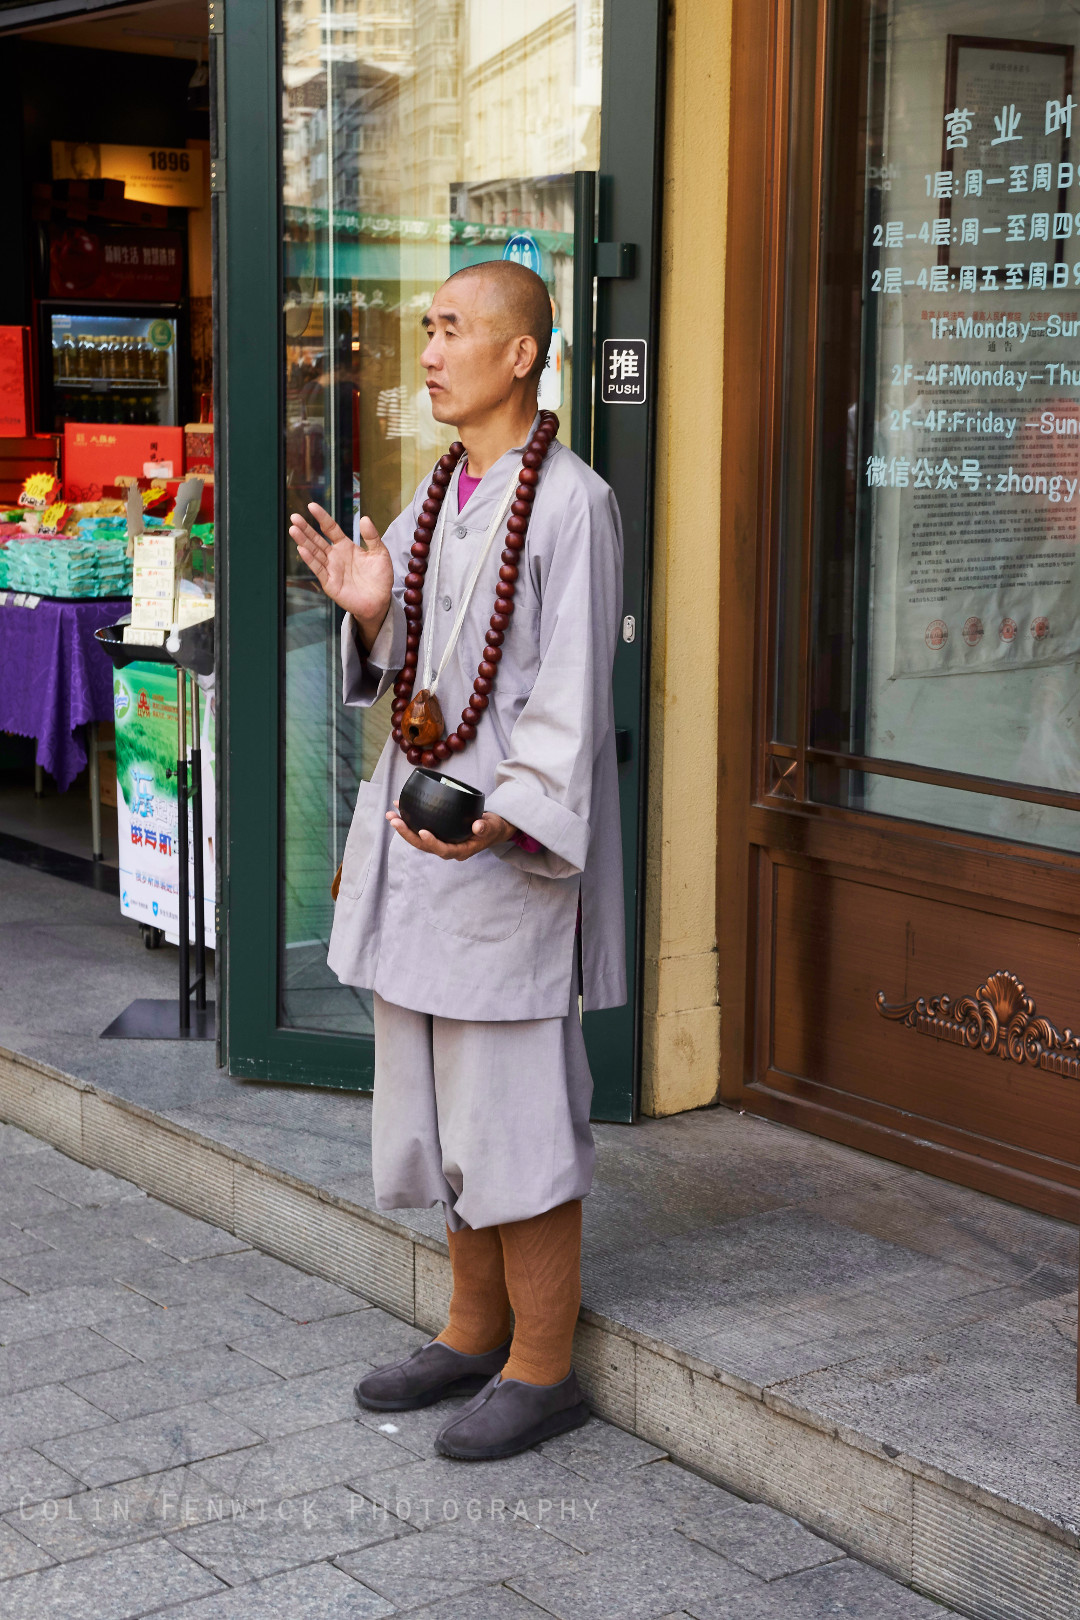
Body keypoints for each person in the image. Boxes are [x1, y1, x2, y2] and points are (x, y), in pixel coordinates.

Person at [289, 259, 625, 1461]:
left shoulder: (571, 501)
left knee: (516, 1114)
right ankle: (472, 1329)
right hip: (423, 845)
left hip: (503, 857)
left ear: (523, 353)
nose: (429, 350)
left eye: (452, 328)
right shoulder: (442, 490)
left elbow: (573, 697)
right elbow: (420, 675)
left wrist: (508, 816)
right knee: (438, 1107)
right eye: (424, 327)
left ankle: (544, 1368)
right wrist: (374, 612)